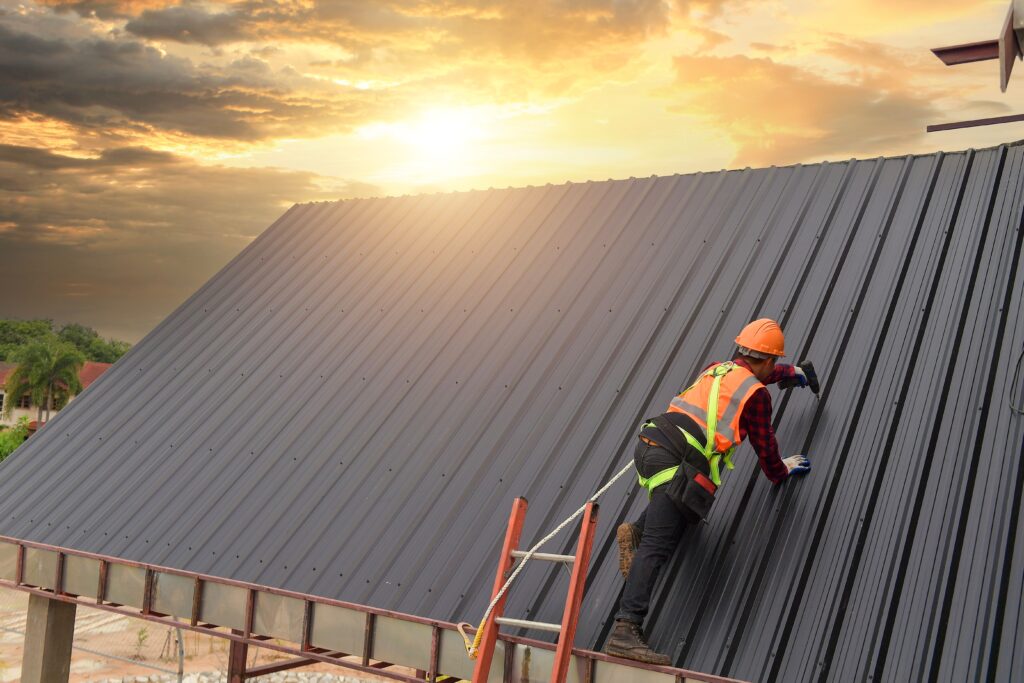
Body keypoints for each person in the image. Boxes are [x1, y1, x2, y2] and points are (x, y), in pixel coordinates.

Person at [603, 318, 819, 665]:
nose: (774, 368)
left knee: (675, 508)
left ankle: (637, 531)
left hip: (652, 444)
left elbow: (753, 374)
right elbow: (766, 451)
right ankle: (625, 629)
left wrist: (792, 373)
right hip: (675, 458)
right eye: (774, 363)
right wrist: (784, 470)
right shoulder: (757, 396)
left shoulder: (717, 369)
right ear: (766, 360)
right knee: (660, 545)